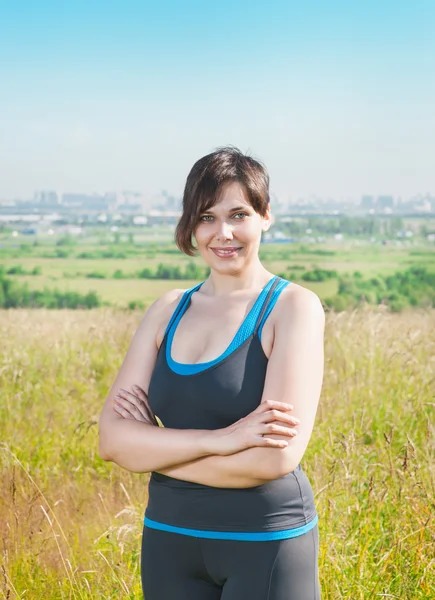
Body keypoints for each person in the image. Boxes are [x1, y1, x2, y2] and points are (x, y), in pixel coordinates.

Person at [98, 146, 325, 599]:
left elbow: (274, 459)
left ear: (265, 217)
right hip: (168, 539)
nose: (222, 233)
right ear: (190, 225)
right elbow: (112, 442)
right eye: (205, 217)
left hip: (264, 541)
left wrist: (156, 451)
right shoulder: (166, 310)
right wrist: (222, 440)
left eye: (238, 214)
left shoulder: (292, 308)